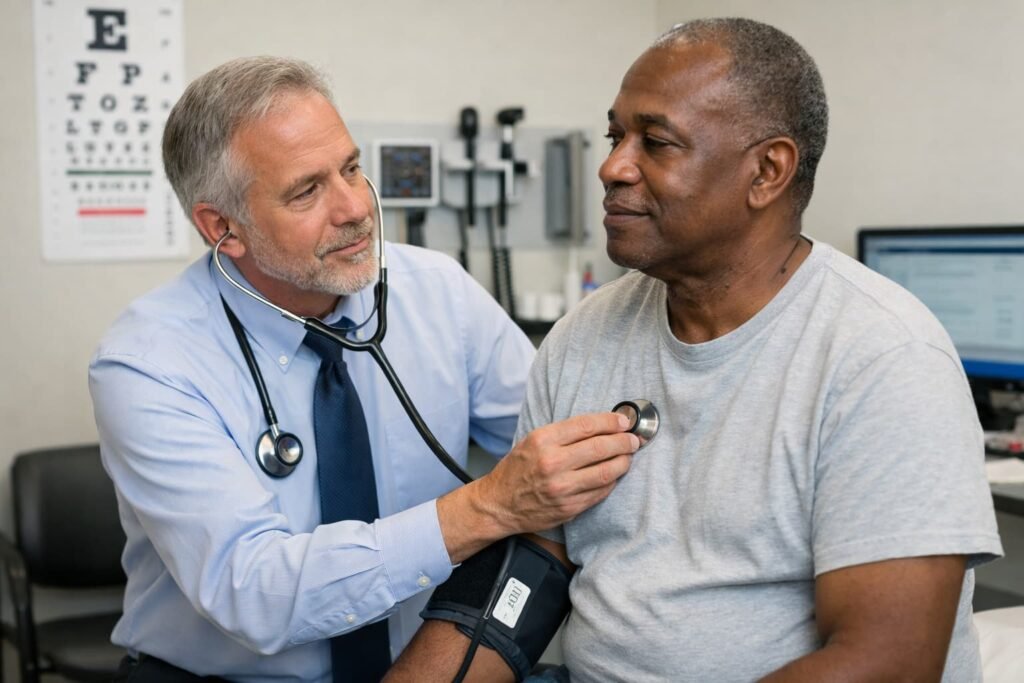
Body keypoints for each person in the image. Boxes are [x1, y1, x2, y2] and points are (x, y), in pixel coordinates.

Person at [395, 18, 1002, 682]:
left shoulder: (882, 357)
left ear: (767, 171)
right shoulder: (584, 337)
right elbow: (523, 580)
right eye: (615, 137)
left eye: (656, 143)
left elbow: (887, 664)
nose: (612, 167)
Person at [89, 56, 639, 681]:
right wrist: (487, 507)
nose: (354, 208)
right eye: (306, 191)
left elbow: (563, 447)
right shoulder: (148, 362)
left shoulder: (437, 292)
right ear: (224, 228)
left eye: (350, 168)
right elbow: (254, 592)